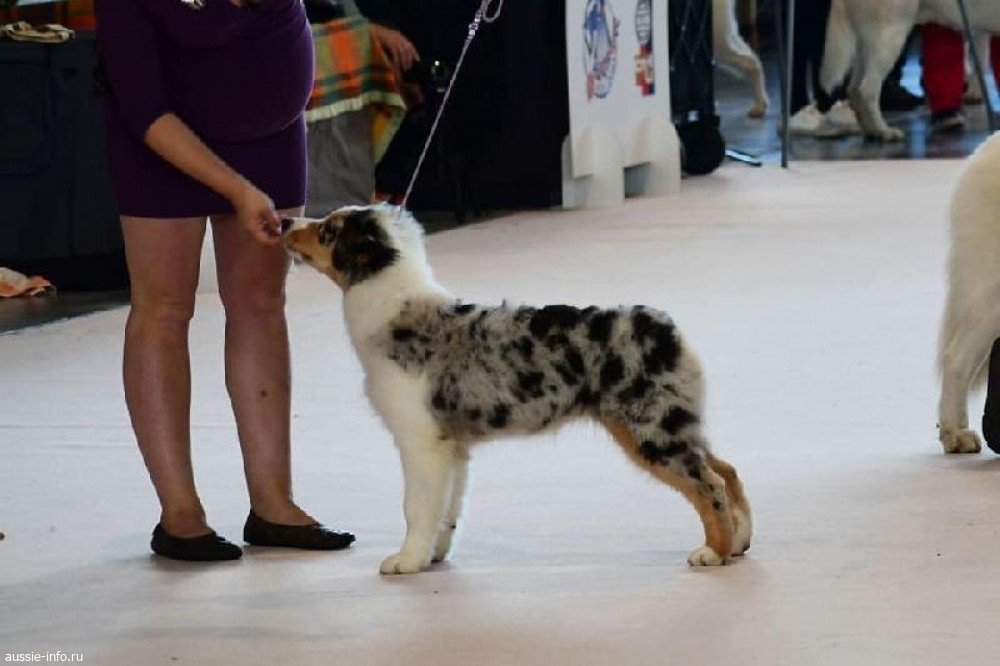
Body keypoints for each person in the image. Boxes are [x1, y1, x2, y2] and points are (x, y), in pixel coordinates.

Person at [95, 0, 354, 561]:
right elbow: (144, 106)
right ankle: (180, 513)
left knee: (262, 301)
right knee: (165, 307)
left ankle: (274, 503)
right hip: (162, 133)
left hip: (269, 132)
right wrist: (237, 189)